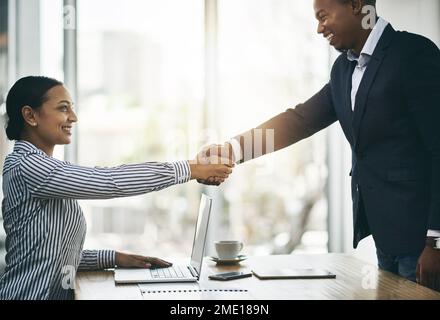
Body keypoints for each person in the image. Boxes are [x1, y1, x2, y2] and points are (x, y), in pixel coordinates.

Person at [200, 0, 440, 291]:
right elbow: (300, 120)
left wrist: (435, 241)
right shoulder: (343, 70)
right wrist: (233, 150)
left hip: (423, 243)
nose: (319, 28)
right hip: (386, 238)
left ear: (355, 6)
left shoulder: (412, 54)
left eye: (323, 16)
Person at [0, 76, 233, 300]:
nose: (74, 117)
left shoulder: (45, 170)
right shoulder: (26, 166)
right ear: (30, 116)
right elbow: (109, 181)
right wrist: (191, 169)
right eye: (63, 108)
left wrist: (117, 257)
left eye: (72, 107)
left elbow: (53, 255)